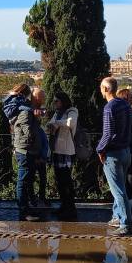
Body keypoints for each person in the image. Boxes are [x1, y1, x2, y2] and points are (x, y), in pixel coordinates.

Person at [96, 77, 132, 235]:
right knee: (120, 187)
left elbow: (108, 133)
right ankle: (117, 217)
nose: (100, 90)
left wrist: (100, 149)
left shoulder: (109, 107)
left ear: (106, 89)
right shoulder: (125, 105)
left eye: (101, 88)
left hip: (113, 154)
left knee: (118, 191)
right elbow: (130, 128)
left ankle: (126, 225)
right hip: (126, 151)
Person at [3, 84, 44, 221]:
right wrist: (32, 141)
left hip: (26, 149)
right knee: (23, 180)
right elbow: (27, 129)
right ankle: (23, 211)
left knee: (26, 180)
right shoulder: (26, 111)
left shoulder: (25, 108)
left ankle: (26, 208)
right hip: (25, 150)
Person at [48, 91, 79, 219]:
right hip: (56, 150)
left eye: (57, 101)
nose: (55, 103)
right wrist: (53, 124)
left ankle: (70, 208)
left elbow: (70, 123)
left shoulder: (72, 111)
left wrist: (56, 123)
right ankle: (64, 205)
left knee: (66, 181)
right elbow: (51, 123)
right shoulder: (57, 113)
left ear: (63, 101)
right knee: (60, 181)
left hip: (66, 151)